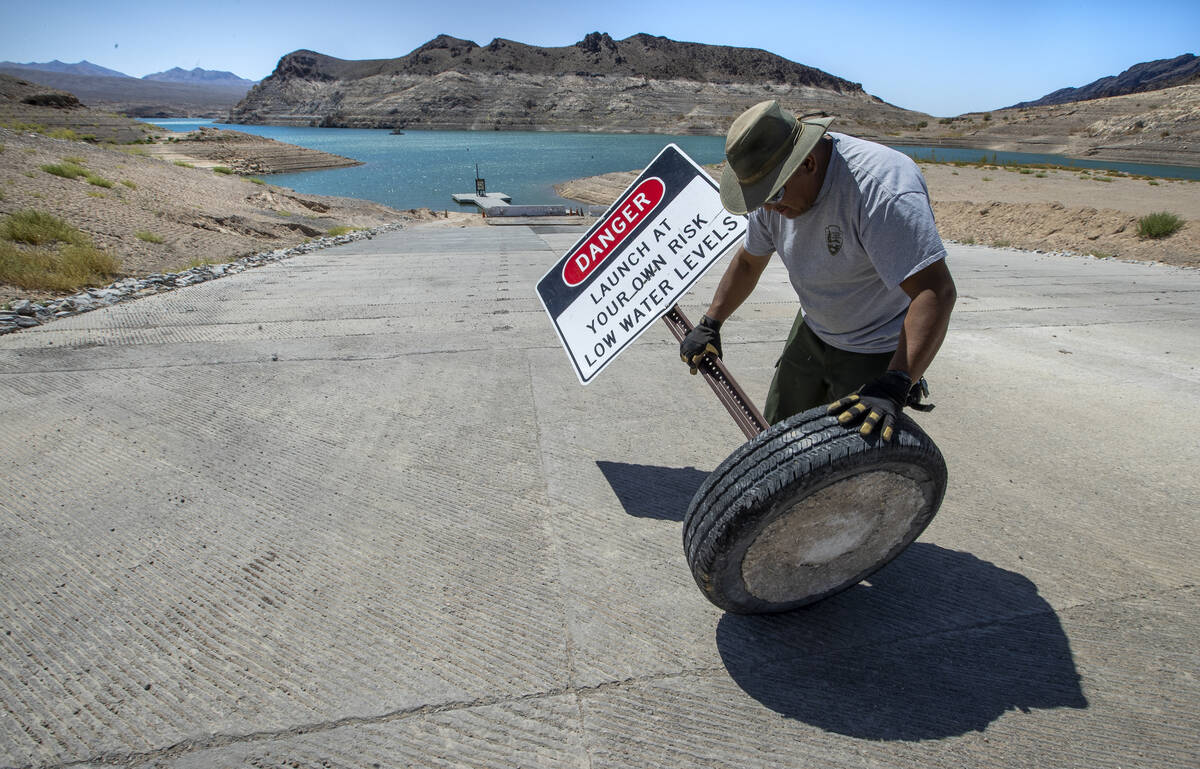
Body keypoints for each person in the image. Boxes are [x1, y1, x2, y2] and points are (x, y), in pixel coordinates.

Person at [680, 101, 956, 441]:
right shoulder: (771, 191)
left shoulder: (881, 189)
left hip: (877, 348)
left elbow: (935, 291)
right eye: (760, 200)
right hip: (814, 329)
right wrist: (711, 322)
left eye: (774, 195)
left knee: (851, 465)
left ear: (808, 162)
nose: (770, 209)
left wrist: (897, 379)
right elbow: (750, 261)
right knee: (774, 441)